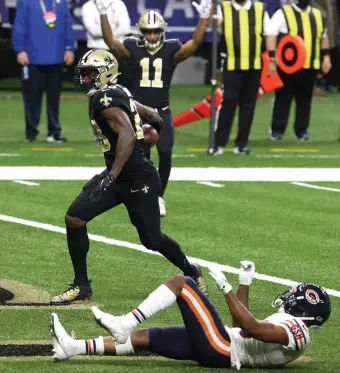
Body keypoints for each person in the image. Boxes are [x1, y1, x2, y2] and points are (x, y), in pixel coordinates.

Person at [50, 49, 207, 305]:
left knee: (152, 240)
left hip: (136, 178)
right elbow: (153, 116)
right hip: (122, 174)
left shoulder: (105, 98)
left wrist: (112, 174)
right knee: (75, 218)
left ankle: (192, 272)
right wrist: (150, 140)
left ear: (106, 73)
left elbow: (127, 134)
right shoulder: (118, 91)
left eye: (91, 74)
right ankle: (82, 286)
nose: (85, 79)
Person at [50, 260, 331, 369]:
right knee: (149, 337)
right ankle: (72, 348)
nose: (288, 298)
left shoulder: (298, 332)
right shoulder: (291, 327)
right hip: (225, 344)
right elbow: (245, 327)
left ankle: (125, 321)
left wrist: (225, 288)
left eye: (294, 296)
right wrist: (244, 282)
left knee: (183, 284)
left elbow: (253, 329)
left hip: (223, 349)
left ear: (306, 307)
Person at [95, 0, 212, 217]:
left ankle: (159, 196)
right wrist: (103, 13)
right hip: (137, 112)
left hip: (161, 111)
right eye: (147, 32)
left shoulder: (172, 48)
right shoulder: (131, 47)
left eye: (155, 32)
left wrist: (204, 17)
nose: (151, 36)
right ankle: (144, 194)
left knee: (165, 152)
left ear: (162, 31)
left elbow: (195, 43)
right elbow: (110, 41)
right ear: (140, 32)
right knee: (142, 156)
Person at [211, 0, 273, 156]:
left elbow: (269, 34)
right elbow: (212, 25)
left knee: (248, 105)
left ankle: (242, 144)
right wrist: (209, 9)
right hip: (232, 65)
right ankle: (218, 143)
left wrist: (272, 59)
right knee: (229, 102)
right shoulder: (224, 8)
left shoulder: (260, 9)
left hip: (254, 65)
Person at [11, 0, 75, 143]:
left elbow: (67, 25)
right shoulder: (26, 2)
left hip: (57, 56)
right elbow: (19, 25)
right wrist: (20, 49)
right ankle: (31, 133)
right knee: (31, 99)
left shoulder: (61, 2)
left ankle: (54, 132)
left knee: (54, 99)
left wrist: (70, 48)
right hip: (32, 57)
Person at [267, 0, 331, 141]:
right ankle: (277, 130)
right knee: (283, 98)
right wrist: (272, 58)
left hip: (310, 65)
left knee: (305, 100)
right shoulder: (283, 13)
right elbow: (271, 34)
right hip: (288, 65)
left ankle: (302, 130)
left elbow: (323, 37)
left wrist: (326, 57)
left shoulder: (317, 15)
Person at [81, 0, 131, 124]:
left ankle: (125, 125)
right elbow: (93, 30)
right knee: (96, 94)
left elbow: (126, 28)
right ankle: (98, 129)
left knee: (121, 91)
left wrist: (106, 32)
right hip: (96, 54)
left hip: (117, 52)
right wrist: (113, 30)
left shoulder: (118, 3)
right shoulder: (88, 6)